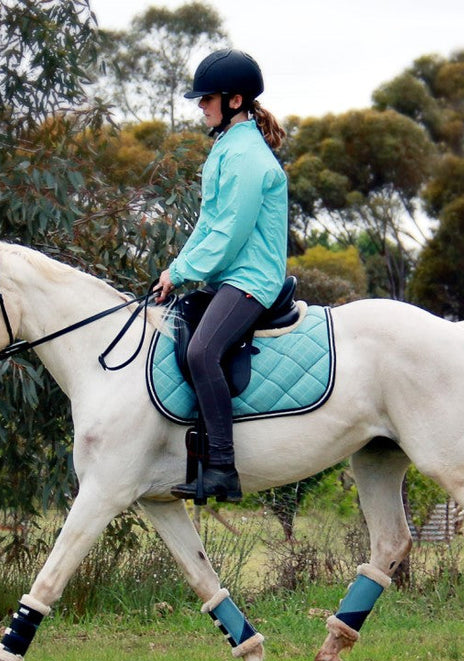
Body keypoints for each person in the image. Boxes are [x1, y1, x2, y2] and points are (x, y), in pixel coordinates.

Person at [153, 49, 289, 503]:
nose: (200, 105)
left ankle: (223, 468)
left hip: (252, 278)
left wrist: (183, 270)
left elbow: (230, 233)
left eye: (206, 98)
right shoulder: (225, 148)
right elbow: (207, 224)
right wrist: (174, 271)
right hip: (228, 276)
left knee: (203, 350)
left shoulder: (248, 155)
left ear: (234, 101)